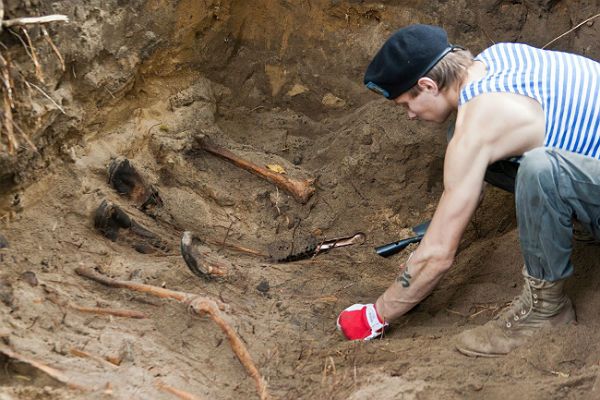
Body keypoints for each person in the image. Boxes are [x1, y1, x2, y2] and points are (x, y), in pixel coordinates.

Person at [336, 24, 600, 357]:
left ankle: (546, 311)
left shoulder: (481, 121)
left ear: (428, 85)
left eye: (406, 104)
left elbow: (439, 255)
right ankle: (577, 218)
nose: (410, 116)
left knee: (540, 169)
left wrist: (377, 313)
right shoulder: (499, 56)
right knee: (465, 145)